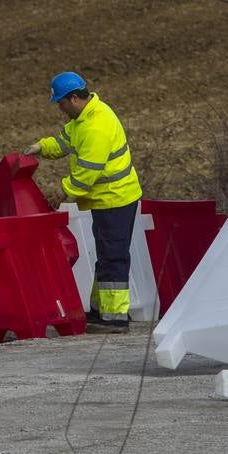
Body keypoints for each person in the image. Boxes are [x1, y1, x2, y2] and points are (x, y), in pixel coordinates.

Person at [25, 72, 142, 332]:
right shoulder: (83, 118)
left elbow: (87, 174)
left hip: (115, 198)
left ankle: (115, 318)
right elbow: (64, 141)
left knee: (113, 256)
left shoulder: (95, 126)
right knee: (107, 255)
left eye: (61, 103)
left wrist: (61, 192)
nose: (60, 108)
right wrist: (40, 147)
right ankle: (102, 311)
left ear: (74, 98)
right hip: (107, 199)